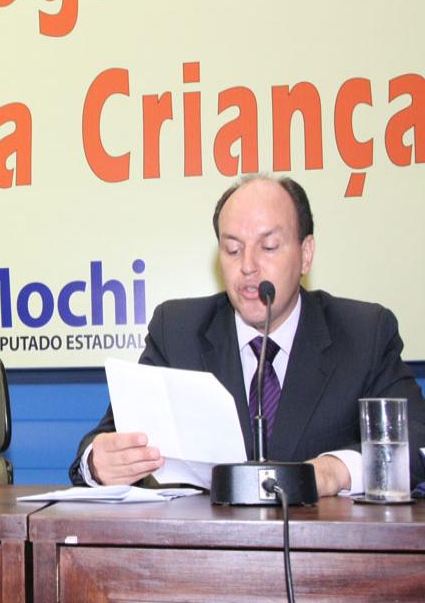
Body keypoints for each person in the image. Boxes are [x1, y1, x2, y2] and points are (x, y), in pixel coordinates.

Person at [69, 175, 425, 496]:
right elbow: (108, 438)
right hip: (205, 546)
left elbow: (416, 441)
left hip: (325, 546)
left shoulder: (363, 333)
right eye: (233, 249)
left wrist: (335, 471)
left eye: (268, 247)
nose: (248, 266)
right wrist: (97, 464)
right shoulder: (177, 331)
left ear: (305, 255)